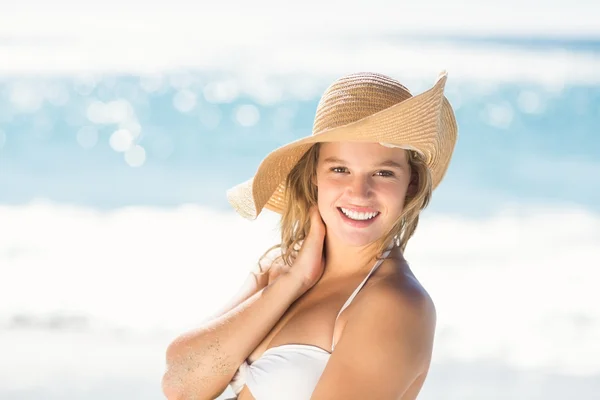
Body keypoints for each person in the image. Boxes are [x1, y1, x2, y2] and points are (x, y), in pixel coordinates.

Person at [161, 70, 458, 400]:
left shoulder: (394, 304)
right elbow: (181, 383)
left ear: (411, 184)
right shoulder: (281, 267)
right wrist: (293, 281)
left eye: (383, 172)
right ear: (315, 174)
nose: (359, 193)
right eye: (340, 169)